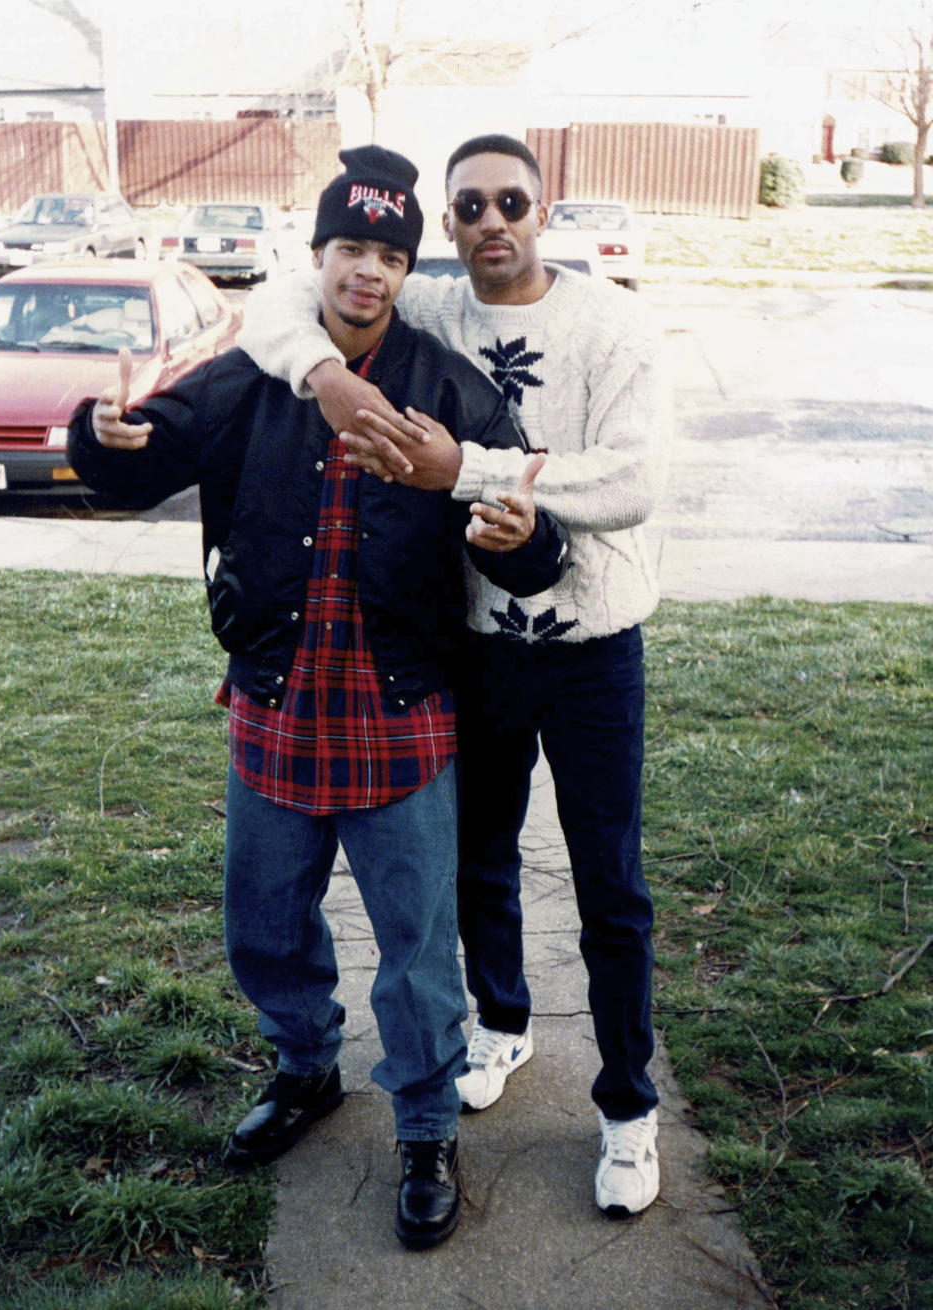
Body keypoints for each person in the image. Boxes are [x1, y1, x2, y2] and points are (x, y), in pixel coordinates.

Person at [67, 145, 570, 1251]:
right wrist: (96, 438)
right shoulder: (254, 370)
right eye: (352, 248)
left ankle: (428, 1124)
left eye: (391, 255)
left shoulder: (448, 386)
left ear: (403, 269)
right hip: (276, 700)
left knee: (418, 945)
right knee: (265, 922)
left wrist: (519, 535)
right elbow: (138, 459)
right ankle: (304, 1068)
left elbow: (532, 537)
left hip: (402, 711)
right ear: (320, 256)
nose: (369, 272)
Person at [237, 133, 673, 1218]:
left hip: (589, 647)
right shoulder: (432, 308)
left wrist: (467, 468)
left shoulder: (611, 321)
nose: (490, 222)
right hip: (481, 643)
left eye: (510, 201)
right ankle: (505, 1022)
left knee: (608, 886)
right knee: (479, 864)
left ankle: (626, 1108)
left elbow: (632, 481)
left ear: (544, 206)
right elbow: (274, 305)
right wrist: (328, 373)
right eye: (468, 204)